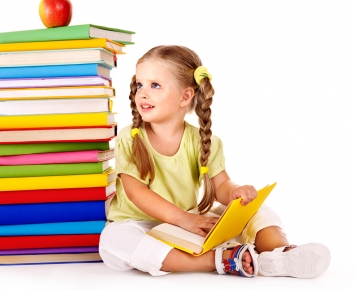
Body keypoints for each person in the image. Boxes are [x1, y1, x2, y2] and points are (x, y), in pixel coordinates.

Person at [98, 45, 330, 278]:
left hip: (187, 223)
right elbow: (135, 192)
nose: (143, 93)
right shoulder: (131, 137)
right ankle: (220, 260)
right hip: (139, 225)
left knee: (254, 207)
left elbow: (221, 186)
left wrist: (235, 192)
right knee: (112, 240)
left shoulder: (203, 141)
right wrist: (184, 219)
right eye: (140, 85)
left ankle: (279, 254)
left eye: (155, 85)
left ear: (185, 96)